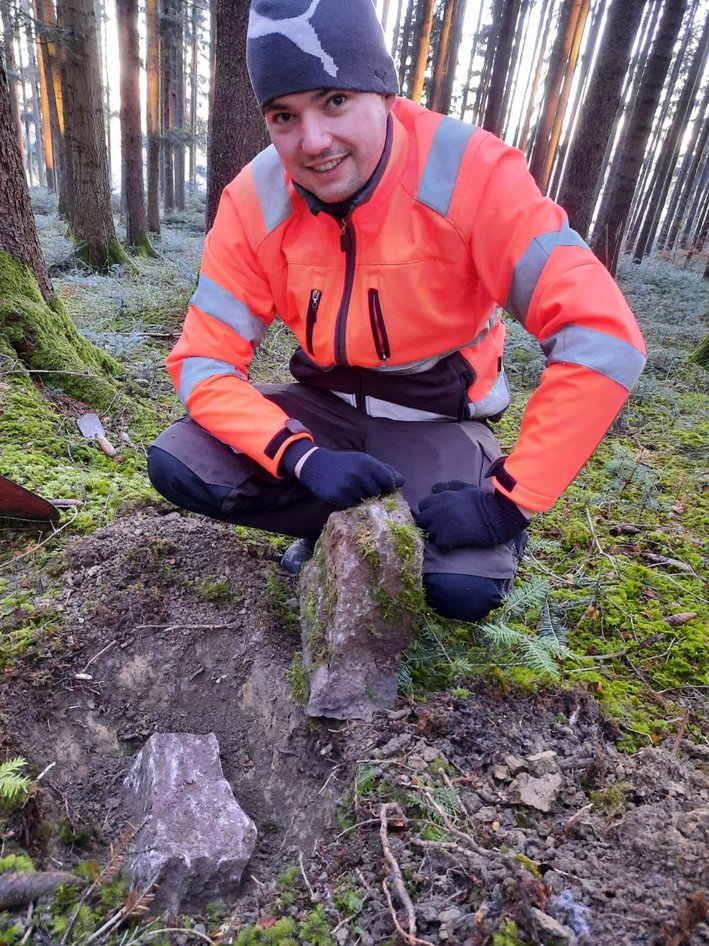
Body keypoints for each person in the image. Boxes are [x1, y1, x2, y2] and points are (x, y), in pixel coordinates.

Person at [148, 0, 646, 623]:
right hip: (323, 415)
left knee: (462, 592)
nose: (313, 142)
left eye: (334, 101)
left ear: (382, 92)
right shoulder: (254, 200)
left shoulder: (472, 173)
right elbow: (203, 362)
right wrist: (301, 456)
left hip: (439, 424)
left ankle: (443, 517)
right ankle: (343, 526)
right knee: (182, 465)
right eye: (284, 115)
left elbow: (603, 337)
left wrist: (508, 502)